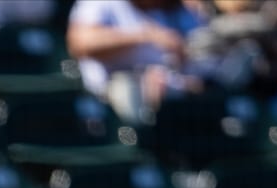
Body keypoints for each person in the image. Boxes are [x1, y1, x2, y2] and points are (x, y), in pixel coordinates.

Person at [67, 0, 204, 123]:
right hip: (111, 101)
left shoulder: (176, 7)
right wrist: (145, 35)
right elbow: (81, 43)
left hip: (178, 99)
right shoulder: (103, 3)